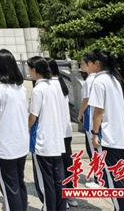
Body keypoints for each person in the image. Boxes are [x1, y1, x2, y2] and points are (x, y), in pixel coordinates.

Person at [86, 50, 124, 211]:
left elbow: (98, 111)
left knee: (115, 181)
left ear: (96, 64)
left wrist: (94, 134)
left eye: (88, 63)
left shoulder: (99, 81)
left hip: (108, 137)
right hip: (120, 136)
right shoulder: (114, 79)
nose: (86, 66)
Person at [0, 49, 29, 211]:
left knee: (9, 187)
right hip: (21, 142)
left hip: (5, 144)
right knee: (18, 182)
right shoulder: (20, 88)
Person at [28, 56, 67, 211]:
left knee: (46, 182)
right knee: (58, 179)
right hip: (57, 140)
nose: (29, 71)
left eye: (30, 68)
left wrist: (26, 129)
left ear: (35, 70)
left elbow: (33, 116)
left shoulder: (38, 89)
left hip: (42, 142)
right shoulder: (54, 86)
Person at [48, 59, 78, 208]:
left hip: (55, 132)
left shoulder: (48, 86)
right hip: (66, 131)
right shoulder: (62, 84)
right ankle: (70, 195)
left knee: (57, 167)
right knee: (67, 164)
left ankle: (62, 198)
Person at [77, 56, 99, 188]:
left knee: (92, 149)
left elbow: (86, 100)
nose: (81, 66)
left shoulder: (89, 81)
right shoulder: (98, 79)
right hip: (96, 115)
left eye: (82, 64)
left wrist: (80, 113)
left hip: (90, 116)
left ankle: (97, 178)